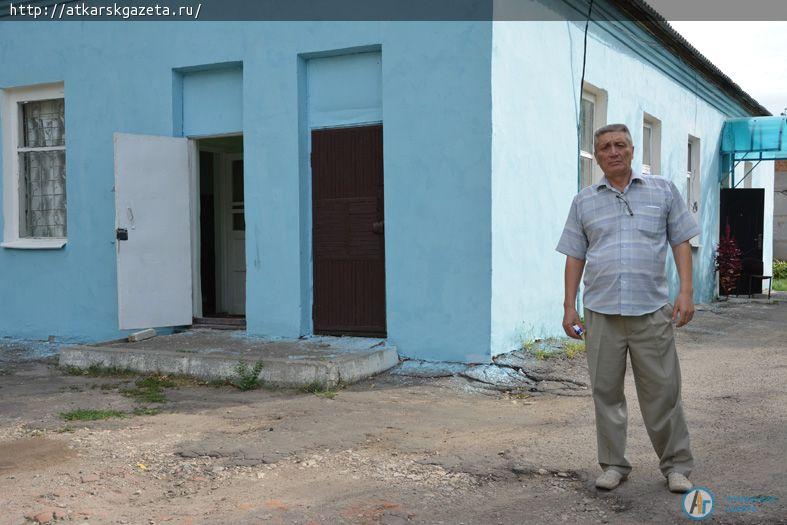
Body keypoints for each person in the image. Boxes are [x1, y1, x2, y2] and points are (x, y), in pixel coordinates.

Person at [556, 123, 698, 493]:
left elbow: (681, 240)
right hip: (601, 313)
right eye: (605, 147)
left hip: (650, 310)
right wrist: (569, 306)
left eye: (620, 144)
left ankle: (676, 466)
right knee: (606, 392)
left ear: (633, 151)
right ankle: (614, 464)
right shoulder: (584, 200)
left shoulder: (662, 191)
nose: (613, 151)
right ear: (597, 156)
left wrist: (686, 291)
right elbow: (575, 254)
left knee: (663, 391)